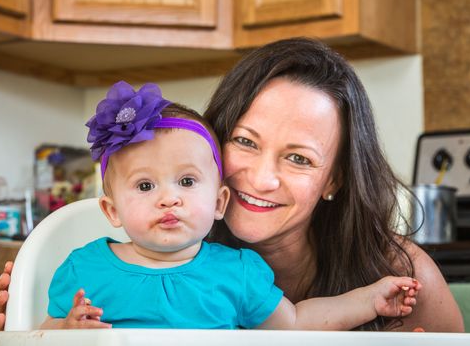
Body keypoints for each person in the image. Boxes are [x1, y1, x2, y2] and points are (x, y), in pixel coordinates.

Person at [0, 37, 463, 332]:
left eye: (299, 158)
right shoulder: (121, 255)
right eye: (245, 141)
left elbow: (296, 325)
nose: (261, 178)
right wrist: (25, 322)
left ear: (333, 180)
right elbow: (45, 329)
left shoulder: (400, 273)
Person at [40, 81, 419, 329]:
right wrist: (65, 330)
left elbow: (298, 324)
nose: (169, 197)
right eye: (144, 185)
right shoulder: (82, 270)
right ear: (112, 210)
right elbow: (34, 333)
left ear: (220, 201)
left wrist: (370, 300)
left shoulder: (237, 274)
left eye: (187, 182)